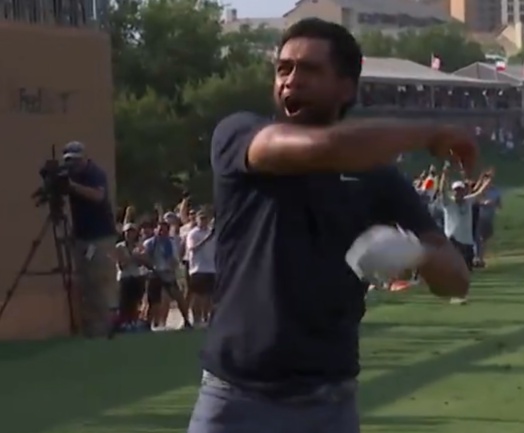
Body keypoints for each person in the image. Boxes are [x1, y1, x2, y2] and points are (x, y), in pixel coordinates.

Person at [188, 18, 475, 433]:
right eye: (283, 68)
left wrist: (419, 254)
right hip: (234, 401)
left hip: (329, 405)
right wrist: (428, 133)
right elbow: (324, 149)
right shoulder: (241, 136)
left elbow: (457, 282)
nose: (291, 80)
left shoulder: (377, 178)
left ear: (346, 88)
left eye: (309, 69)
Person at [63, 141, 117, 338]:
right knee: (84, 282)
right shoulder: (71, 176)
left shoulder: (94, 173)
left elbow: (98, 196)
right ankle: (90, 329)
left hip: (100, 236)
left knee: (99, 281)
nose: (73, 164)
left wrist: (72, 186)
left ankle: (104, 328)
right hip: (82, 237)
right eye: (70, 161)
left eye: (76, 160)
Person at [437, 165, 492, 305]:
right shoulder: (448, 203)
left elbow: (480, 192)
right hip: (453, 240)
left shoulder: (468, 201)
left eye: (460, 190)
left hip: (467, 241)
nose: (458, 193)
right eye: (456, 190)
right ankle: (454, 294)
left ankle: (460, 294)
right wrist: (444, 174)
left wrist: (488, 180)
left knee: (466, 271)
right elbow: (441, 190)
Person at [142, 220, 193, 329]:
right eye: (160, 230)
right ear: (156, 230)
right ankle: (148, 323)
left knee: (179, 297)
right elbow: (145, 257)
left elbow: (175, 259)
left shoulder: (171, 243)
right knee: (153, 301)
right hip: (154, 273)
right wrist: (151, 266)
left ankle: (186, 320)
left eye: (164, 230)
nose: (162, 232)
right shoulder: (149, 243)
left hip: (167, 273)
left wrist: (173, 267)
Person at [186, 209, 216, 327]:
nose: (203, 221)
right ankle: (196, 319)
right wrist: (206, 239)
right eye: (201, 218)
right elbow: (192, 248)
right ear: (197, 220)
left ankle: (206, 317)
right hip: (198, 268)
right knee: (197, 295)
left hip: (211, 268)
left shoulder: (212, 232)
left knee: (209, 296)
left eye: (205, 218)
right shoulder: (193, 233)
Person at [475, 168, 501, 267]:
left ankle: (480, 258)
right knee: (478, 239)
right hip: (478, 217)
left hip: (489, 218)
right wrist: (483, 203)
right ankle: (477, 258)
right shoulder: (479, 190)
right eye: (486, 178)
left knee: (484, 240)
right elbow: (474, 200)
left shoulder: (495, 191)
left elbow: (499, 204)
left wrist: (496, 205)